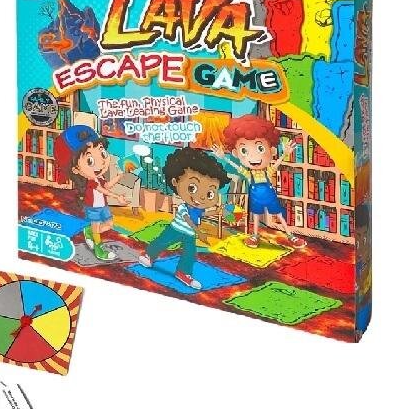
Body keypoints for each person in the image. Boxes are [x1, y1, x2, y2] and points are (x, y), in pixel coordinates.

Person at [138, 147, 229, 290]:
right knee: (162, 242)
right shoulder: (182, 207)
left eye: (210, 194)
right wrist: (199, 232)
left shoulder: (199, 209)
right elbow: (188, 220)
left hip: (190, 234)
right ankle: (149, 255)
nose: (202, 197)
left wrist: (216, 211)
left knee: (190, 253)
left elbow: (201, 215)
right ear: (175, 182)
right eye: (192, 188)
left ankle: (183, 272)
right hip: (175, 229)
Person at [212, 114, 306, 249]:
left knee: (279, 215)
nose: (253, 157)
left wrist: (285, 153)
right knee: (256, 216)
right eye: (244, 150)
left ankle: (291, 236)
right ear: (236, 153)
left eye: (260, 148)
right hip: (256, 198)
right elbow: (237, 167)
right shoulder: (248, 174)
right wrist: (224, 158)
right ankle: (255, 236)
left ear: (272, 150)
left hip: (270, 197)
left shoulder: (268, 172)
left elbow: (277, 164)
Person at [54, 125, 127, 261]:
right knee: (96, 227)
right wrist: (117, 196)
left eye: (102, 153)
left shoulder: (100, 178)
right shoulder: (90, 182)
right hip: (93, 208)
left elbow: (106, 185)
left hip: (103, 206)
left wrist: (119, 177)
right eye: (90, 161)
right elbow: (102, 190)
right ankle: (99, 250)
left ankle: (89, 231)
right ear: (76, 169)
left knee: (109, 224)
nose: (102, 162)